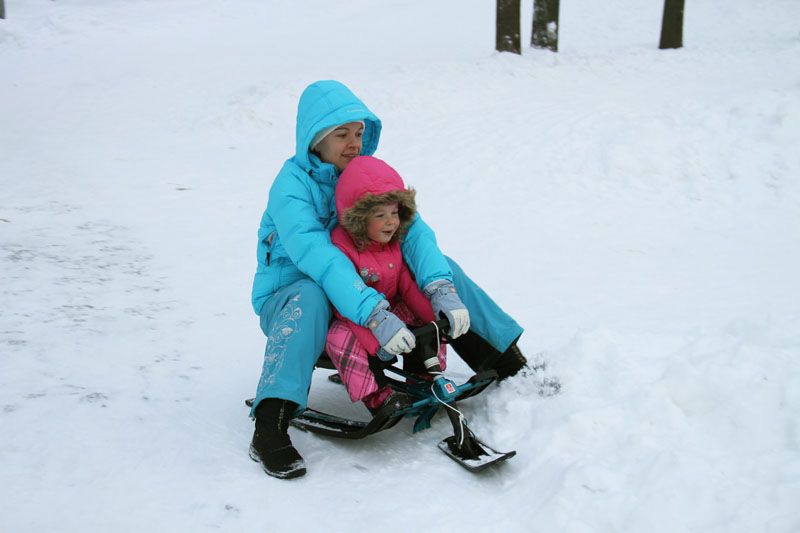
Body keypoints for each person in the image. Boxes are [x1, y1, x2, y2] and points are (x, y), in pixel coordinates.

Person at [249, 80, 527, 480]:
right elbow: (320, 258)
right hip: (294, 297)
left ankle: (505, 361)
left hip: (363, 285)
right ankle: (270, 425)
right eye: (341, 134)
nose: (353, 143)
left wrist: (440, 290)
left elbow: (414, 233)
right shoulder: (291, 188)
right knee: (310, 294)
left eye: (359, 132)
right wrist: (375, 314)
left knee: (438, 266)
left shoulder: (366, 175)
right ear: (314, 140)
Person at [324, 155, 448, 413]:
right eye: (381, 215)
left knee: (424, 319)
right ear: (358, 219)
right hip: (355, 318)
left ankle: (426, 376)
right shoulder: (342, 247)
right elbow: (343, 304)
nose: (391, 221)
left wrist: (435, 319)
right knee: (340, 339)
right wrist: (376, 346)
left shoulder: (391, 242)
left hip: (389, 309)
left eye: (394, 213)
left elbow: (405, 284)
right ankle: (377, 395)